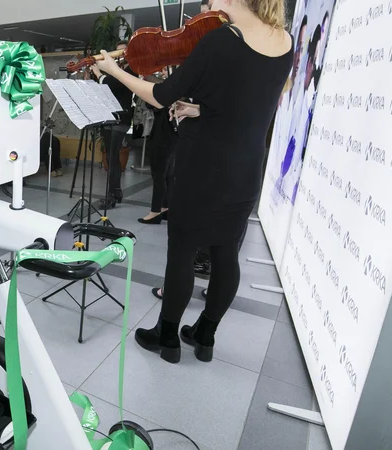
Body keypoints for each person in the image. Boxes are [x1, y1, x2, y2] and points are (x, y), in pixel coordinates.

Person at [94, 0, 293, 364]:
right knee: (225, 253)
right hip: (247, 169)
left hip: (203, 166)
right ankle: (205, 334)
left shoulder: (221, 39)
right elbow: (247, 104)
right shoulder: (285, 42)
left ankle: (167, 337)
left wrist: (113, 71)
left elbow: (159, 96)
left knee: (182, 251)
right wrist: (201, 109)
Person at [90, 41, 136, 209]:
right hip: (110, 117)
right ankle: (115, 192)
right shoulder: (118, 70)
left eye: (121, 53)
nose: (118, 56)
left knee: (112, 156)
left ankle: (112, 196)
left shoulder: (131, 70)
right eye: (116, 53)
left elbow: (112, 84)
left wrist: (98, 73)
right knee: (112, 156)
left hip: (120, 119)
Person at [139, 69, 176, 225]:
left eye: (165, 69)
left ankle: (155, 212)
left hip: (163, 134)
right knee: (168, 173)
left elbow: (152, 102)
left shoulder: (171, 87)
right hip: (173, 135)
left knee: (159, 174)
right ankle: (165, 207)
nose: (162, 72)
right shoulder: (178, 85)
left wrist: (143, 84)